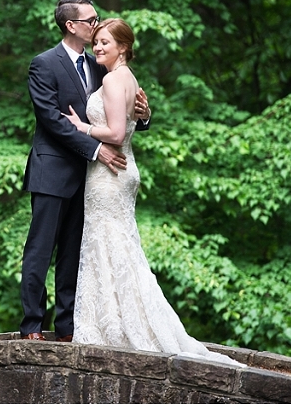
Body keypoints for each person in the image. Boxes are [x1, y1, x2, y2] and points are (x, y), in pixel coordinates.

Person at [63, 18, 242, 366]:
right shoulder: (125, 78)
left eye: (105, 43)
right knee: (117, 246)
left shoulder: (115, 79)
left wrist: (80, 125)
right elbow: (132, 120)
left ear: (123, 48)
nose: (98, 47)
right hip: (119, 170)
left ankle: (114, 327)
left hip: (109, 173)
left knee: (107, 242)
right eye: (96, 42)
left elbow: (115, 133)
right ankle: (113, 322)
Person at [19, 0, 151, 342]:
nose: (96, 25)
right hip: (53, 172)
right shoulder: (43, 64)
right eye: (91, 20)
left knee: (74, 254)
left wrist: (145, 113)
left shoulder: (99, 66)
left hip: (92, 179)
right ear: (71, 26)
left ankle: (67, 327)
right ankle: (33, 324)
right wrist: (95, 149)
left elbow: (119, 112)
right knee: (40, 249)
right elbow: (51, 119)